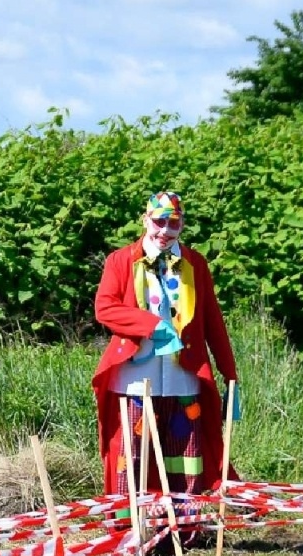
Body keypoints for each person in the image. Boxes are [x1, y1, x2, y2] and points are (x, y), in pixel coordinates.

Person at [92, 191, 238, 500]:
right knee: (131, 454)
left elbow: (213, 320)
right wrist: (152, 326)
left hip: (183, 376)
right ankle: (131, 527)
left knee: (184, 451)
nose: (164, 231)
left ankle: (184, 527)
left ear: (182, 225)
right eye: (159, 222)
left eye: (173, 224)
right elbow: (105, 308)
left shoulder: (196, 264)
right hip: (134, 377)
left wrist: (230, 375)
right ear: (145, 220)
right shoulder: (120, 261)